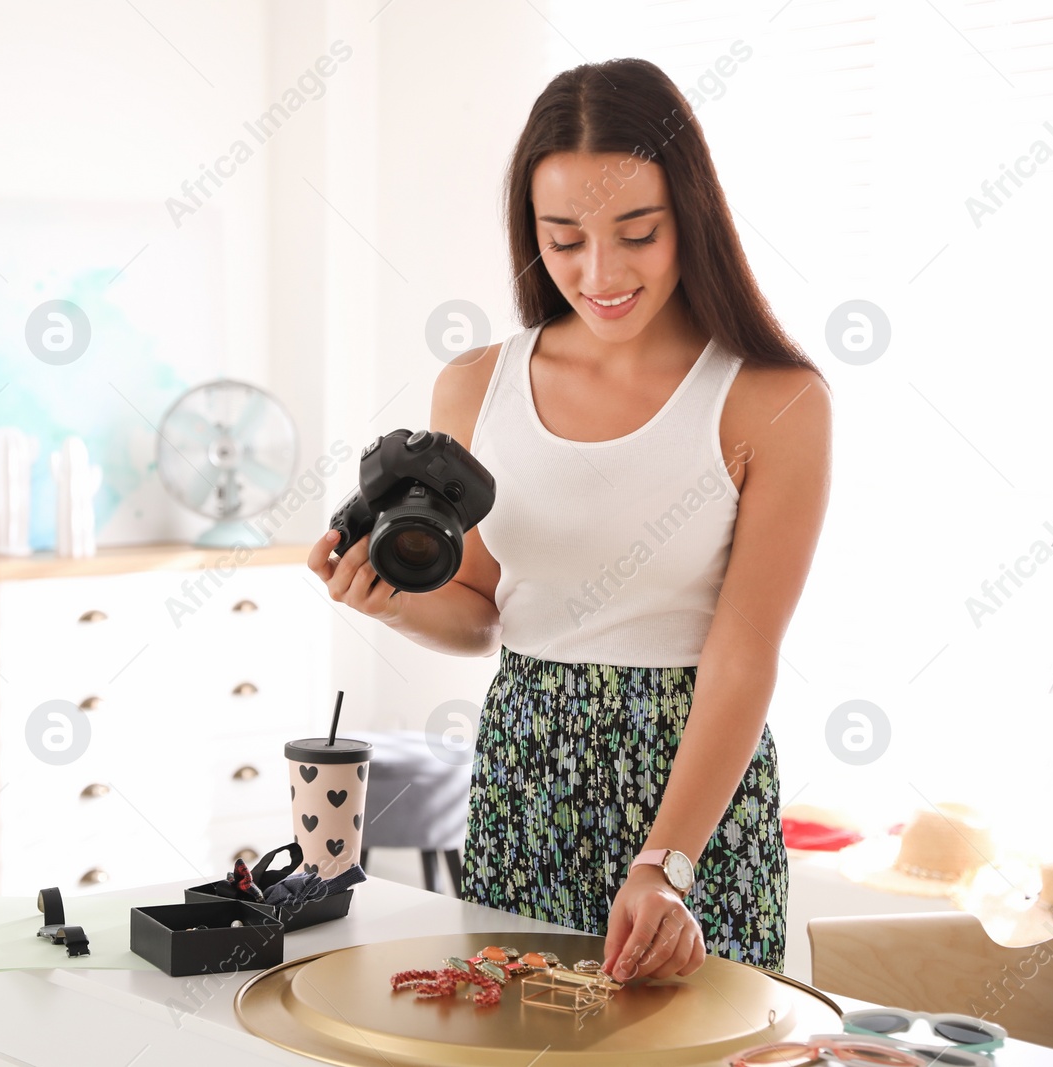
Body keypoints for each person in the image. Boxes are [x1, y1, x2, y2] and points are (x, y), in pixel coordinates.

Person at [307, 57, 831, 982]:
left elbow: (743, 652)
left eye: (639, 232)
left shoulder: (772, 400)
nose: (602, 272)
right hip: (525, 770)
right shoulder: (476, 383)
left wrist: (666, 863)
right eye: (565, 238)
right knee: (516, 1030)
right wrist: (385, 601)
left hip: (695, 796)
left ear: (690, 217)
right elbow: (483, 611)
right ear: (531, 235)